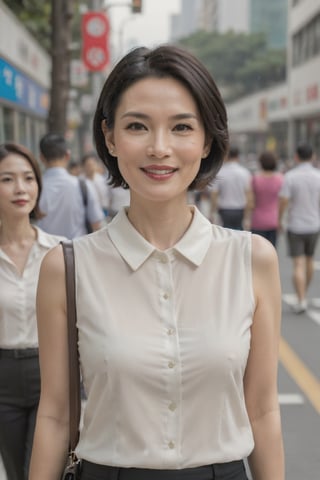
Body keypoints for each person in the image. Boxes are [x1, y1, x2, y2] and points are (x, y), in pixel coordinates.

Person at [29, 45, 284, 480]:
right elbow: (54, 414)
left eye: (182, 127)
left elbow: (261, 409)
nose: (159, 147)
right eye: (137, 126)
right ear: (110, 137)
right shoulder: (67, 267)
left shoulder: (251, 259)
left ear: (207, 140)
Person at [0, 142, 65, 480]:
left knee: (40, 471)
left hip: (50, 375)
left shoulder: (59, 251)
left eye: (28, 178)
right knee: (13, 471)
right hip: (3, 377)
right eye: (7, 179)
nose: (20, 188)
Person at [37, 133, 104, 239]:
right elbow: (96, 223)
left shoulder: (34, 188)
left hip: (44, 252)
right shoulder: (84, 185)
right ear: (67, 155)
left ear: (41, 158)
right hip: (76, 251)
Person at [279, 142, 320, 314]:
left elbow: (284, 201)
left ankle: (301, 299)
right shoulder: (318, 176)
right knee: (309, 260)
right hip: (314, 223)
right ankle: (304, 293)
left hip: (295, 224)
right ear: (313, 157)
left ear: (296, 157)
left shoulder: (291, 176)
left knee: (298, 263)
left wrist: (279, 219)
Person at [210, 146, 252, 229]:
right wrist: (247, 217)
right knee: (239, 236)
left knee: (225, 236)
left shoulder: (220, 173)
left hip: (224, 210)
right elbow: (249, 195)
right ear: (238, 156)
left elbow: (214, 194)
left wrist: (212, 212)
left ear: (226, 156)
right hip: (240, 210)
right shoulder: (245, 173)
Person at [250, 150, 284, 247]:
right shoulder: (280, 179)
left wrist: (247, 218)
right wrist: (280, 220)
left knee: (257, 252)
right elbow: (282, 201)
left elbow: (251, 202)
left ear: (260, 163)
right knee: (272, 250)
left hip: (257, 220)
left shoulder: (255, 179)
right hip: (273, 220)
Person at [81, 151, 110, 217]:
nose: (91, 167)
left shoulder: (102, 180)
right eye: (88, 165)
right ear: (83, 166)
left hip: (103, 212)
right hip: (86, 214)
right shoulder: (80, 182)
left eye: (93, 164)